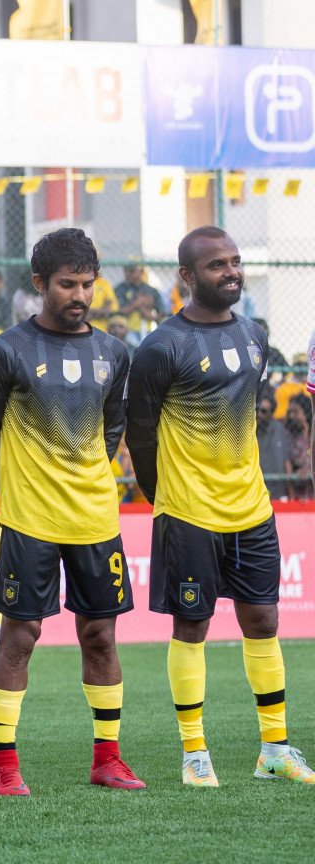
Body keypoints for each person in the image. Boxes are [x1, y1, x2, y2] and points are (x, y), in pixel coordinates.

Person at [126, 226, 315, 787]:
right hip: (188, 513)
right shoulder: (162, 346)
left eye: (234, 263)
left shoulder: (256, 336)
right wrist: (167, 498)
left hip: (253, 509)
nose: (230, 272)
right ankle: (194, 753)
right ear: (186, 276)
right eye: (216, 266)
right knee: (193, 625)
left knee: (263, 620)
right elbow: (140, 436)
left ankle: (275, 749)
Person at [0, 228, 143, 796]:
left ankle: (108, 758)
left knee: (101, 637)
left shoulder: (113, 352)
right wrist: (21, 487)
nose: (80, 295)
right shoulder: (6, 350)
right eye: (68, 284)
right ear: (40, 284)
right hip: (31, 521)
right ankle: (3, 764)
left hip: (96, 518)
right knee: (20, 637)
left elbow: (112, 427)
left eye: (88, 284)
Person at [115, 262, 165, 335]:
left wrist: (151, 316)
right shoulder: (120, 289)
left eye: (132, 271)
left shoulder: (151, 290)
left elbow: (161, 312)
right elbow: (117, 312)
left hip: (147, 329)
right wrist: (136, 304)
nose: (128, 274)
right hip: (126, 331)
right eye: (126, 270)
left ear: (141, 272)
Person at [257, 391, 289, 500]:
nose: (259, 414)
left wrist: (290, 490)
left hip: (276, 488)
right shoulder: (248, 429)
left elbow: (285, 459)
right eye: (257, 410)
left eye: (264, 411)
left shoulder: (279, 430)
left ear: (271, 413)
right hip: (255, 487)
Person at [284, 393, 313, 501]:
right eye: (289, 412)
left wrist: (306, 429)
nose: (291, 416)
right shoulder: (290, 436)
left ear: (305, 413)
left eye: (295, 412)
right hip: (296, 490)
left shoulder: (311, 434)